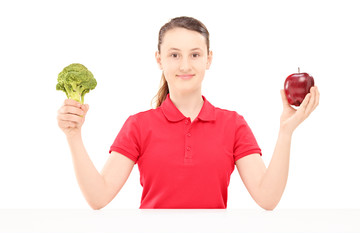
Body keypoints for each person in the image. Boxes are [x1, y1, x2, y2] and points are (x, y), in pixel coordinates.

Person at [57, 16, 320, 210]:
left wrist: (286, 131)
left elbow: (268, 197)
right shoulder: (138, 125)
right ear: (159, 59)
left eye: (195, 54)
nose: (185, 65)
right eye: (174, 55)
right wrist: (73, 136)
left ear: (208, 59)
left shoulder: (233, 124)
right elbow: (98, 197)